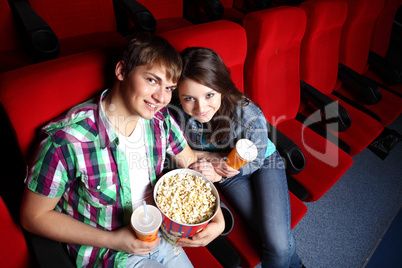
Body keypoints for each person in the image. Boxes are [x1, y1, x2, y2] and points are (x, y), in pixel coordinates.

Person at [20, 34, 224, 268]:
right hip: (108, 252)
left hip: (162, 237)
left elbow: (191, 171)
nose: (161, 98)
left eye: (169, 88)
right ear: (122, 71)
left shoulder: (161, 120)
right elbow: (32, 217)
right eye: (151, 80)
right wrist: (114, 240)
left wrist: (216, 220)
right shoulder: (66, 142)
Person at [170, 47, 304, 268]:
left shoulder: (248, 116)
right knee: (274, 239)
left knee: (277, 245)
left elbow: (257, 158)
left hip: (263, 163)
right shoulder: (175, 111)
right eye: (189, 98)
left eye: (209, 95)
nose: (201, 107)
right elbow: (179, 150)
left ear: (221, 87)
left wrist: (215, 161)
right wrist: (218, 162)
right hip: (227, 173)